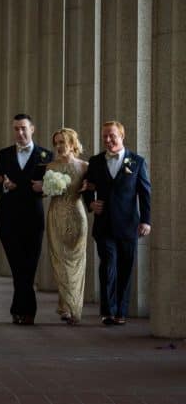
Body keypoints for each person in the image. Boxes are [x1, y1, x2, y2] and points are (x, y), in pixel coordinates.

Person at [83, 121, 151, 326]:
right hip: (103, 225)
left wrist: (146, 220)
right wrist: (90, 203)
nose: (108, 140)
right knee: (108, 267)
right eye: (104, 136)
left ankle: (121, 311)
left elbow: (145, 193)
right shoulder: (95, 162)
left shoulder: (137, 162)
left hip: (129, 225)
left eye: (112, 135)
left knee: (125, 268)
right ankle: (108, 311)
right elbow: (87, 187)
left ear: (122, 135)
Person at [0, 113, 53, 325]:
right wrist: (3, 186)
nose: (20, 132)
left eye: (23, 128)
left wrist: (40, 188)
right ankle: (26, 311)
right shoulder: (3, 154)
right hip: (8, 217)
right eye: (16, 128)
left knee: (30, 265)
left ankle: (20, 309)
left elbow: (49, 186)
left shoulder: (46, 156)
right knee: (17, 265)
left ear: (32, 129)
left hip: (33, 218)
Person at [39, 128, 88, 326]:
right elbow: (44, 192)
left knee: (76, 260)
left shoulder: (85, 166)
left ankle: (72, 305)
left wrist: (90, 190)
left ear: (72, 143)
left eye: (62, 142)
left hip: (77, 214)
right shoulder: (50, 166)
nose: (59, 146)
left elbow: (93, 190)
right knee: (60, 260)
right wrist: (43, 188)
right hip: (56, 214)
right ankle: (68, 306)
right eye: (56, 143)